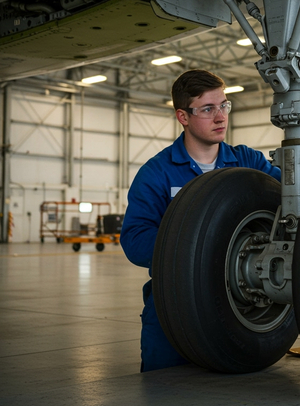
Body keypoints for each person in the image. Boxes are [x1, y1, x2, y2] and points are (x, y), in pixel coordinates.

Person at [120, 69, 281, 372]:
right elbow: (134, 239)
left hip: (240, 308)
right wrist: (192, 243)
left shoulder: (249, 163)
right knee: (166, 388)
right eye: (208, 109)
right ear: (183, 116)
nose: (220, 117)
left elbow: (290, 201)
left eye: (224, 105)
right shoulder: (158, 173)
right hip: (176, 305)